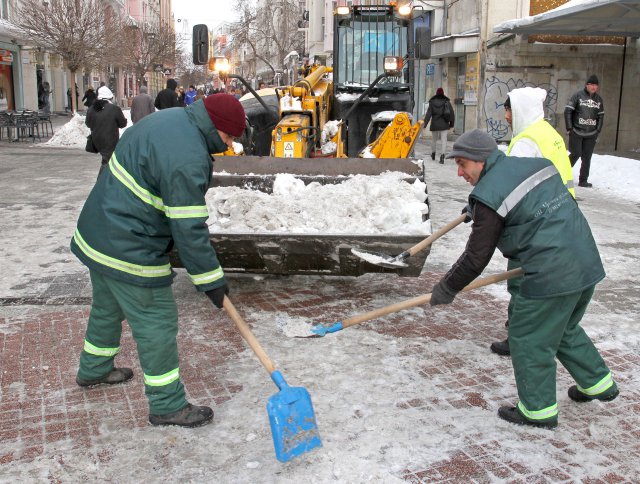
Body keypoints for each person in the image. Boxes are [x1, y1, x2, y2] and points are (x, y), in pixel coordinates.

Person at [70, 94, 246, 428]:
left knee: (107, 307)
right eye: (229, 136)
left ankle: (94, 368)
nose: (229, 144)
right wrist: (211, 281)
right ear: (216, 126)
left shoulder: (171, 119)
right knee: (157, 321)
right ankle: (167, 404)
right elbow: (188, 226)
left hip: (97, 231)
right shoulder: (188, 156)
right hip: (128, 244)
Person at [430, 129, 618, 429]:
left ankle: (538, 410)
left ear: (481, 160)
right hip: (585, 261)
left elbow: (475, 258)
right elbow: (520, 201)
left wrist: (447, 287)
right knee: (563, 327)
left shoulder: (489, 197)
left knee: (529, 337)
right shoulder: (534, 165)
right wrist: (478, 208)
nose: (459, 172)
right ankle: (598, 384)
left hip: (551, 274)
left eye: (463, 164)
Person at [490, 87, 576, 357]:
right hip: (560, 215)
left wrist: (484, 204)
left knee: (521, 281)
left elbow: (513, 184)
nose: (505, 116)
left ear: (520, 110)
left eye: (508, 110)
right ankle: (525, 329)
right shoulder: (548, 133)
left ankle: (518, 336)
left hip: (536, 222)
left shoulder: (527, 141)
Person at [564, 75, 604, 188]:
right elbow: (567, 111)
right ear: (587, 85)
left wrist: (598, 130)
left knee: (587, 156)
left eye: (596, 85)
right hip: (576, 131)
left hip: (591, 133)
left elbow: (601, 116)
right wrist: (569, 128)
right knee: (576, 153)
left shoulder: (599, 100)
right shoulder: (577, 96)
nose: (593, 87)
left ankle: (583, 180)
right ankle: (561, 173)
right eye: (591, 84)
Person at [85, 86, 127, 177]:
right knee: (107, 162)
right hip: (110, 140)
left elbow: (88, 123)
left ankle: (106, 181)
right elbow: (123, 123)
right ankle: (102, 183)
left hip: (96, 140)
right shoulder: (114, 109)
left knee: (107, 160)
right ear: (110, 97)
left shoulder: (91, 109)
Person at [423, 87, 455, 164]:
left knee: (434, 140)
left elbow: (428, 115)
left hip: (435, 124)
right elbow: (452, 114)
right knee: (444, 141)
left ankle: (433, 154)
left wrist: (424, 125)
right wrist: (451, 124)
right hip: (444, 124)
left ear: (436, 93)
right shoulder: (446, 102)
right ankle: (442, 156)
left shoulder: (432, 102)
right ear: (443, 93)